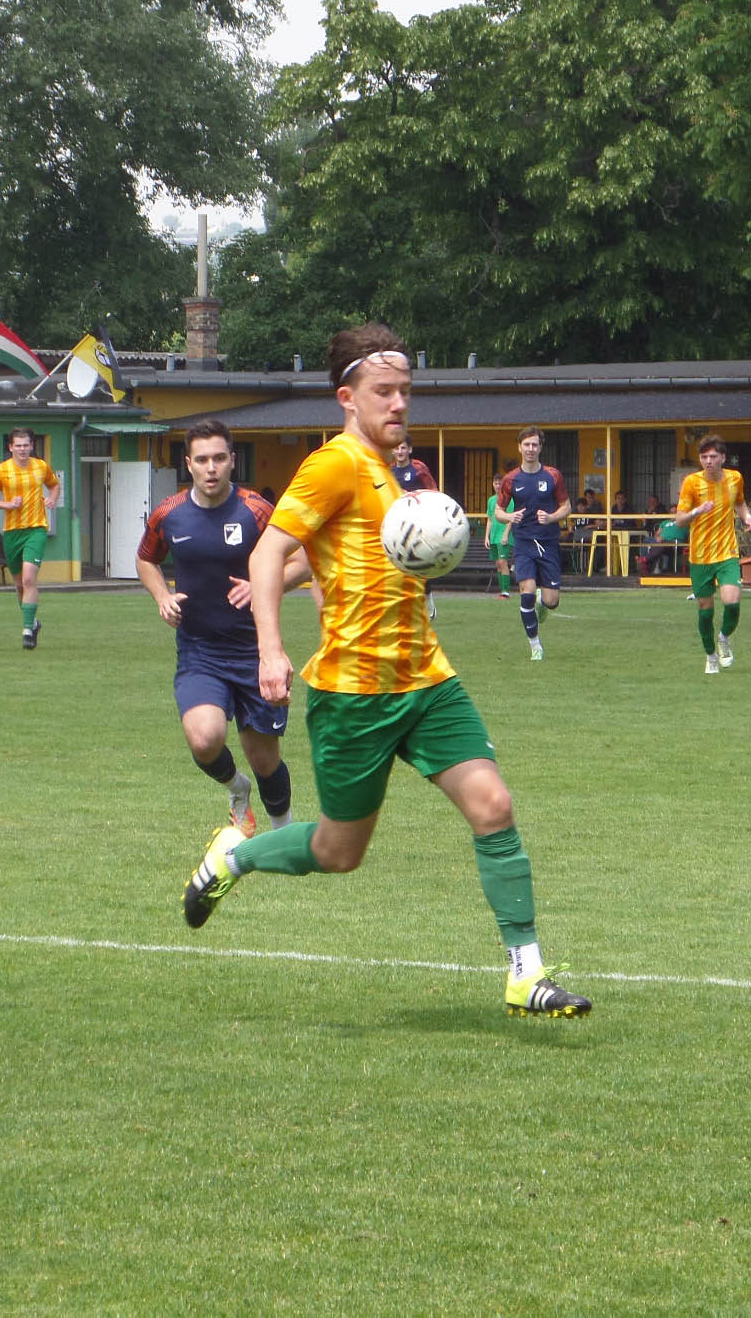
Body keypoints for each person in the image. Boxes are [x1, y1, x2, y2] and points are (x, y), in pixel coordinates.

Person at [180, 323, 590, 1022]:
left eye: (405, 390)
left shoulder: (395, 469)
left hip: (427, 679)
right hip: (354, 694)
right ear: (348, 397)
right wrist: (271, 650)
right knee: (339, 851)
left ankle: (526, 973)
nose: (399, 402)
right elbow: (268, 553)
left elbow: (336, 553)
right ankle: (232, 859)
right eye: (384, 391)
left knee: (493, 806)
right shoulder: (334, 464)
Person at [136, 419, 309, 839]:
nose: (211, 468)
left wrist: (261, 584)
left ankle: (282, 834)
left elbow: (302, 562)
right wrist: (161, 596)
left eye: (218, 458)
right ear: (188, 464)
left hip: (255, 651)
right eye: (202, 460)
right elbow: (145, 559)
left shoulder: (256, 510)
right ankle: (236, 788)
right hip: (200, 651)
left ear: (232, 460)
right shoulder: (169, 513)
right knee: (204, 739)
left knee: (263, 758)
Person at [674, 435, 751, 675]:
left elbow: (739, 502)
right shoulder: (692, 483)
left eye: (712, 456)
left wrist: (747, 517)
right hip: (700, 556)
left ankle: (723, 638)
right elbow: (679, 520)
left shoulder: (735, 478)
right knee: (705, 609)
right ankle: (710, 655)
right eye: (704, 457)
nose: (708, 461)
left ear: (722, 457)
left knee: (732, 601)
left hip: (727, 552)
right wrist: (697, 511)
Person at [0, 427, 60, 649]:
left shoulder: (41, 466)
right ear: (11, 447)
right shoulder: (1, 470)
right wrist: (6, 504)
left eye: (26, 445)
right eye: (18, 445)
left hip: (36, 529)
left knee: (28, 579)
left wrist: (52, 499)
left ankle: (26, 632)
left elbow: (54, 485)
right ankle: (32, 623)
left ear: (32, 446)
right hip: (12, 532)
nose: (22, 449)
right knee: (18, 585)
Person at [495, 427, 569, 660]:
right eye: (526, 444)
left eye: (534, 445)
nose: (530, 449)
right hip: (524, 542)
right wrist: (510, 516)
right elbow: (498, 511)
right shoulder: (510, 479)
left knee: (552, 601)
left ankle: (543, 602)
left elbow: (566, 507)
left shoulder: (553, 476)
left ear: (540, 448)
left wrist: (551, 517)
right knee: (526, 592)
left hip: (548, 543)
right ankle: (535, 646)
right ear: (519, 447)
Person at [389, 435, 439, 618]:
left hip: (417, 523)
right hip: (396, 524)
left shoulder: (418, 468)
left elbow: (433, 492)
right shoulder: (389, 470)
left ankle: (428, 597)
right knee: (396, 565)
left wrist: (410, 495)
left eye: (403, 448)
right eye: (397, 448)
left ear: (409, 449)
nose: (400, 451)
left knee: (419, 563)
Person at [485, 459, 515, 597]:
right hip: (494, 536)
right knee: (497, 564)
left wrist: (505, 535)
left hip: (503, 535)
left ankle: (506, 592)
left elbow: (510, 518)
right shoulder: (491, 500)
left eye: (500, 483)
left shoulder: (509, 499)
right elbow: (490, 519)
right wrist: (487, 536)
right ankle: (502, 589)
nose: (497, 485)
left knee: (503, 562)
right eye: (495, 483)